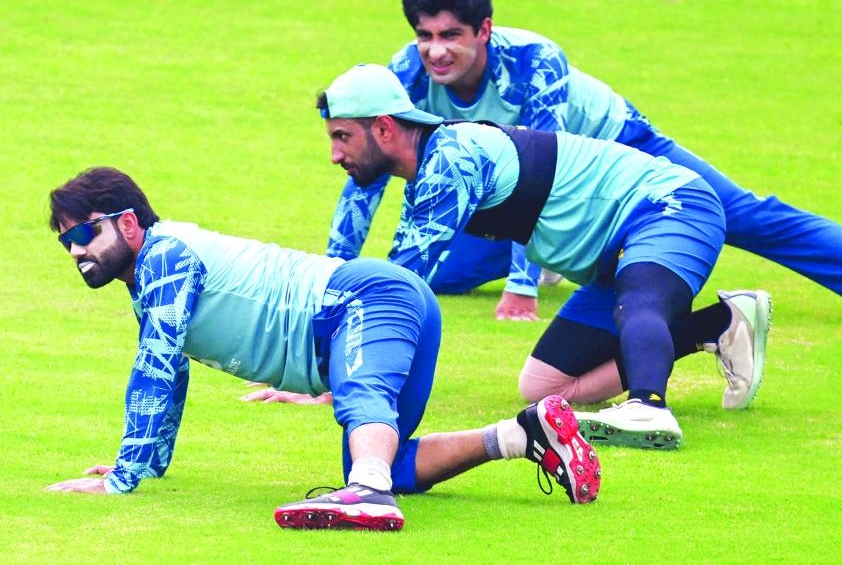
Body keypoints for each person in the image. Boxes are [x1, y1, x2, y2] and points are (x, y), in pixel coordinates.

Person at [326, 0, 842, 329]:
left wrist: (522, 289)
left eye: (452, 35)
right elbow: (365, 180)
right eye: (424, 35)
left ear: (485, 30)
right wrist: (330, 284)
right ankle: (556, 257)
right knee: (446, 270)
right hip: (509, 194)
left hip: (615, 160)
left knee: (741, 215)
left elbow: (541, 159)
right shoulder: (401, 76)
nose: (436, 50)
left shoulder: (534, 60)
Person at [43, 167, 601, 531]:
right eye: (65, 241)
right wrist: (141, 464)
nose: (75, 251)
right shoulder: (151, 278)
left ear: (130, 224)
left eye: (82, 234)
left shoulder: (164, 256)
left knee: (366, 441)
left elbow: (155, 370)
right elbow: (170, 373)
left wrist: (122, 481)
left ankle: (367, 495)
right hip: (382, 302)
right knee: (385, 462)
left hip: (364, 297)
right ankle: (523, 434)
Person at [314, 63, 771, 450]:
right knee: (544, 388)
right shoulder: (426, 169)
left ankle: (648, 407)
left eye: (342, 137)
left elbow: (399, 284)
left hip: (670, 205)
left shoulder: (451, 160)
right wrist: (321, 362)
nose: (335, 155)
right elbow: (362, 243)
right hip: (614, 251)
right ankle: (716, 325)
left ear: (384, 128)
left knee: (640, 301)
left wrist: (341, 377)